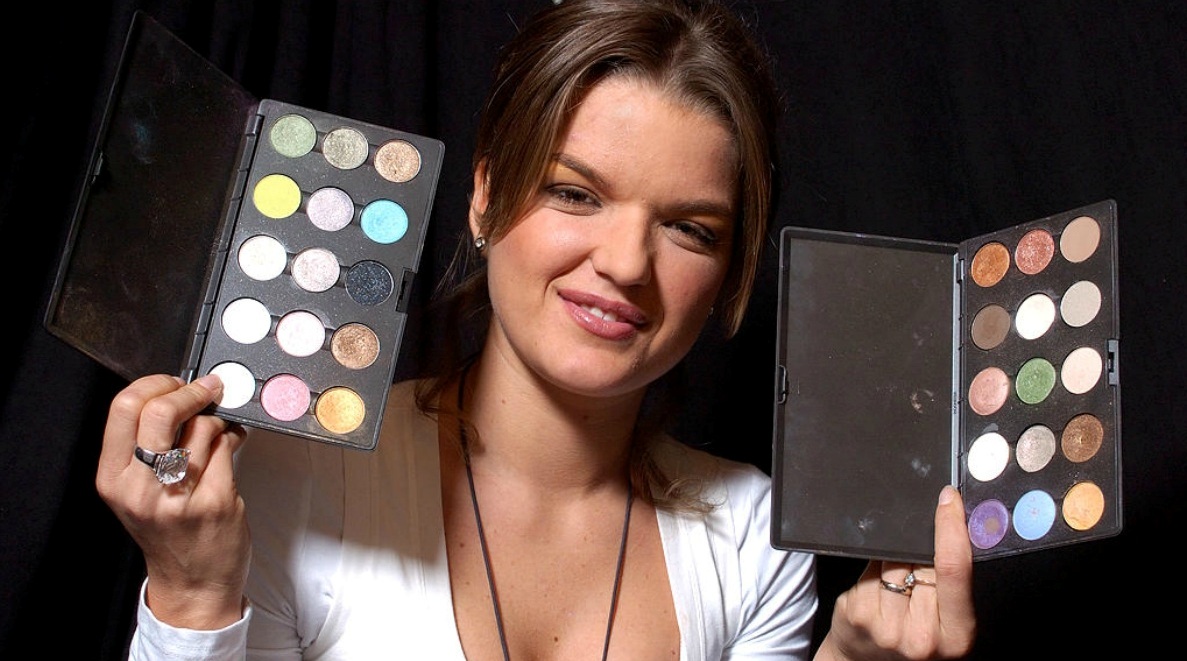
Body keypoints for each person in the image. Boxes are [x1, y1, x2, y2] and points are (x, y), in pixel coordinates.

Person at [96, 0, 976, 659]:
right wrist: (191, 592)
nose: (625, 262)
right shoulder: (298, 481)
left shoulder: (747, 535)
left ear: (726, 272)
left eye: (688, 228)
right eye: (575, 193)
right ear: (484, 197)